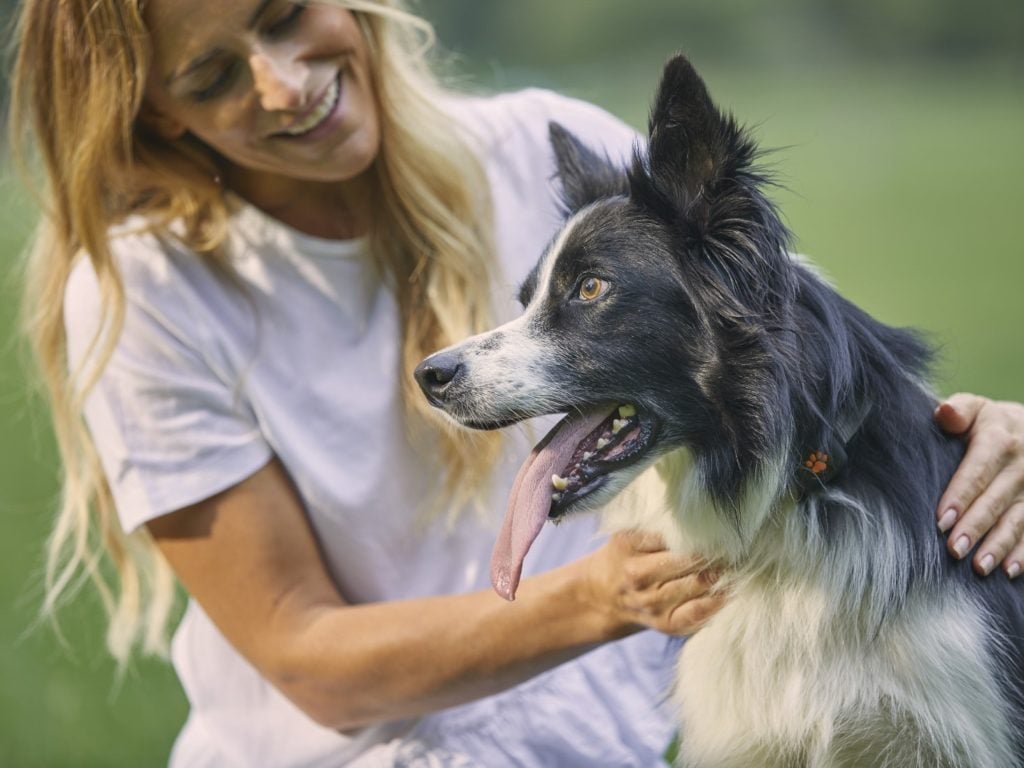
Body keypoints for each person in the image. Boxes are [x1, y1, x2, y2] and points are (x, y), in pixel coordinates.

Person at [9, 0, 1024, 765]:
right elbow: (308, 656)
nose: (282, 84)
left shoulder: (531, 144)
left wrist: (963, 431)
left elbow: (778, 342)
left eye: (283, 16)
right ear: (156, 118)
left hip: (597, 744)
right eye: (213, 78)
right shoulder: (141, 292)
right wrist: (598, 596)